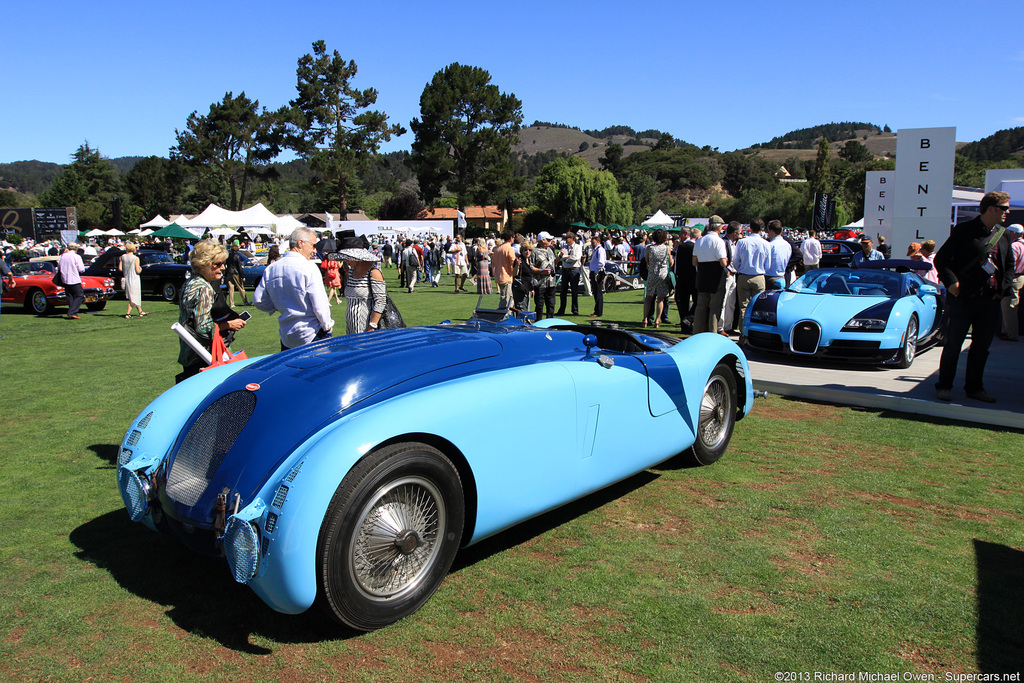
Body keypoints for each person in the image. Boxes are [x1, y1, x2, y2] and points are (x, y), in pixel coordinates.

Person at [933, 191, 1011, 403]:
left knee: (981, 348)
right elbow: (942, 260)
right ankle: (944, 386)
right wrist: (952, 283)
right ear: (992, 209)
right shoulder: (964, 230)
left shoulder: (1003, 235)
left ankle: (975, 388)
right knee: (953, 345)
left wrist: (1001, 291)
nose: (1008, 212)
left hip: (989, 301)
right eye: (1004, 208)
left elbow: (1009, 267)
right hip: (964, 299)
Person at [176, 240, 247, 383]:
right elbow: (202, 327)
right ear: (203, 264)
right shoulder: (203, 288)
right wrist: (228, 325)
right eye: (218, 264)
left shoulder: (190, 282)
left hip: (189, 351)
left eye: (223, 263)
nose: (222, 268)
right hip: (203, 355)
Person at [254, 227, 335, 351]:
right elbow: (320, 305)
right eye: (313, 246)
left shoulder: (272, 268)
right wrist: (327, 326)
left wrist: (277, 305)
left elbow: (259, 300)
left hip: (287, 335)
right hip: (312, 333)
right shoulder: (309, 268)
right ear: (301, 243)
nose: (314, 251)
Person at [337, 235, 386, 334]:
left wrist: (372, 325)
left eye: (348, 258)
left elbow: (380, 301)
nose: (346, 261)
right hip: (351, 326)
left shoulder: (373, 272)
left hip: (367, 327)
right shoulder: (351, 272)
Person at [692, 217, 728, 334]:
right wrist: (726, 260)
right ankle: (713, 333)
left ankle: (696, 332)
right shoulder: (719, 241)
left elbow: (694, 262)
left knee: (700, 307)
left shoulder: (699, 241)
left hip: (702, 275)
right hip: (716, 276)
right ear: (719, 227)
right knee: (714, 308)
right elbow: (723, 263)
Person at [997, 223, 1024, 342]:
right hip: (1021, 277)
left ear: (1013, 233)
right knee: (1010, 305)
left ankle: (1011, 334)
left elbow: (1010, 265)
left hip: (1013, 278)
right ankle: (1006, 331)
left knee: (1009, 307)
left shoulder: (1014, 246)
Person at [643, 229, 673, 327]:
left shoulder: (649, 248)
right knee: (660, 299)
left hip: (652, 274)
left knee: (648, 298)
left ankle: (645, 319)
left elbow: (647, 260)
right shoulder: (666, 248)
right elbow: (671, 262)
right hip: (662, 274)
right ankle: (657, 320)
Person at [674, 227, 700, 329]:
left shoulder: (681, 247)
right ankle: (689, 319)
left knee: (683, 301)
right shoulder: (695, 247)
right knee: (698, 300)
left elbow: (677, 263)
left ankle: (685, 324)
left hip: (681, 276)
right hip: (693, 276)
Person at [531, 231, 557, 319]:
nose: (551, 241)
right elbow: (530, 267)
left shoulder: (550, 250)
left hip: (551, 283)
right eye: (549, 239)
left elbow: (554, 263)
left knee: (551, 305)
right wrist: (542, 271)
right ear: (543, 240)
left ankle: (550, 325)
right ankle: (538, 324)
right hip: (540, 283)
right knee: (539, 306)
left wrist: (560, 256)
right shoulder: (534, 252)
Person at [556, 231, 583, 316]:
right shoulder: (564, 246)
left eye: (567, 238)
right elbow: (559, 256)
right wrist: (567, 257)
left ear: (572, 239)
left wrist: (565, 258)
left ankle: (575, 310)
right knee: (563, 291)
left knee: (574, 291)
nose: (565, 240)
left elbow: (576, 257)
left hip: (574, 270)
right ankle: (561, 310)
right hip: (565, 270)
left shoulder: (578, 247)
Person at [58, 243, 86, 320]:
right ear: (76, 248)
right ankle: (72, 312)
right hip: (74, 279)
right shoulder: (76, 256)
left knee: (70, 296)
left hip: (65, 279)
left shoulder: (62, 256)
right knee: (79, 295)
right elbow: (81, 269)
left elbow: (59, 267)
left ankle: (72, 311)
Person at [118, 242, 146, 318]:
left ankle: (140, 311)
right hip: (134, 278)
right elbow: (137, 270)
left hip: (127, 277)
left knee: (134, 295)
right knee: (134, 296)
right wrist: (141, 269)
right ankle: (128, 313)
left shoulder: (123, 257)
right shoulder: (135, 258)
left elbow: (120, 268)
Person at [492, 233, 517, 309]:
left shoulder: (497, 248)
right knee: (508, 300)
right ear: (511, 238)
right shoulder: (509, 248)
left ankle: (502, 316)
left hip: (498, 275)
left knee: (503, 297)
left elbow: (493, 263)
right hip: (506, 276)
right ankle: (505, 317)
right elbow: (513, 262)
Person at [765, 220, 791, 290]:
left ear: (772, 231)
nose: (768, 234)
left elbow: (766, 263)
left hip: (770, 278)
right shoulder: (787, 245)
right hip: (782, 276)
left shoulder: (770, 245)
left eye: (768, 231)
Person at [224, 241, 250, 307]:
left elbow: (225, 264)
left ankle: (231, 303)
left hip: (229, 272)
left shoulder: (228, 256)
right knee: (241, 287)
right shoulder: (237, 256)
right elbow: (239, 267)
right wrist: (242, 276)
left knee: (231, 288)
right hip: (236, 273)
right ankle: (245, 301)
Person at [587, 233, 607, 318]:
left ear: (598, 242)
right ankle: (597, 310)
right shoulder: (596, 250)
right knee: (595, 292)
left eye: (593, 242)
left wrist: (597, 273)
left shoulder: (600, 250)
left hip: (597, 272)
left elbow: (601, 262)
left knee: (598, 292)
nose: (592, 244)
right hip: (594, 272)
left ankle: (598, 311)